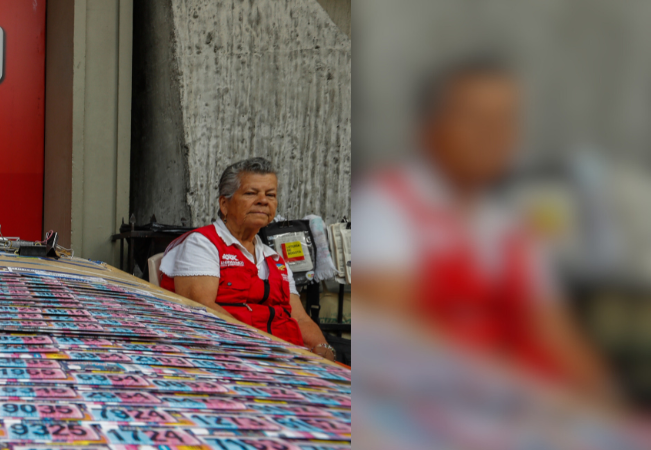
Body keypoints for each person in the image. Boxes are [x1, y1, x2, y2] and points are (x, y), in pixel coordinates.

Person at [355, 59, 610, 392]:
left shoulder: (511, 227)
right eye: (473, 118)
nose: (491, 134)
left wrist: (605, 399)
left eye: (504, 120)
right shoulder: (383, 206)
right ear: (429, 129)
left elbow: (556, 332)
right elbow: (394, 339)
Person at [157, 157, 335, 360]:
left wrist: (324, 349)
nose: (263, 200)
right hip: (233, 358)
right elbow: (201, 310)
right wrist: (264, 350)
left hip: (286, 359)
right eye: (251, 193)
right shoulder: (203, 244)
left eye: (271, 194)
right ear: (224, 204)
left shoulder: (274, 258)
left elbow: (300, 318)